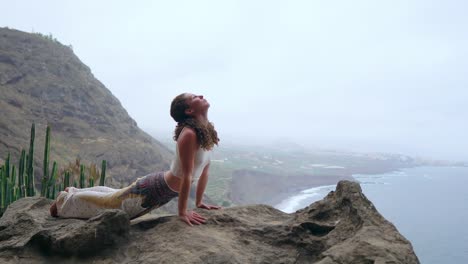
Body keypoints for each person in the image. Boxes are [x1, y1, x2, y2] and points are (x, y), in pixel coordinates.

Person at [49, 93, 221, 226]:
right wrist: (183, 212)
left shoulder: (205, 133)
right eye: (194, 97)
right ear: (189, 111)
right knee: (110, 203)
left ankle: (74, 192)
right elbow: (187, 175)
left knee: (113, 197)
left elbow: (205, 169)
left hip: (162, 192)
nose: (200, 96)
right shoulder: (189, 135)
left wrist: (199, 202)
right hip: (153, 189)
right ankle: (63, 203)